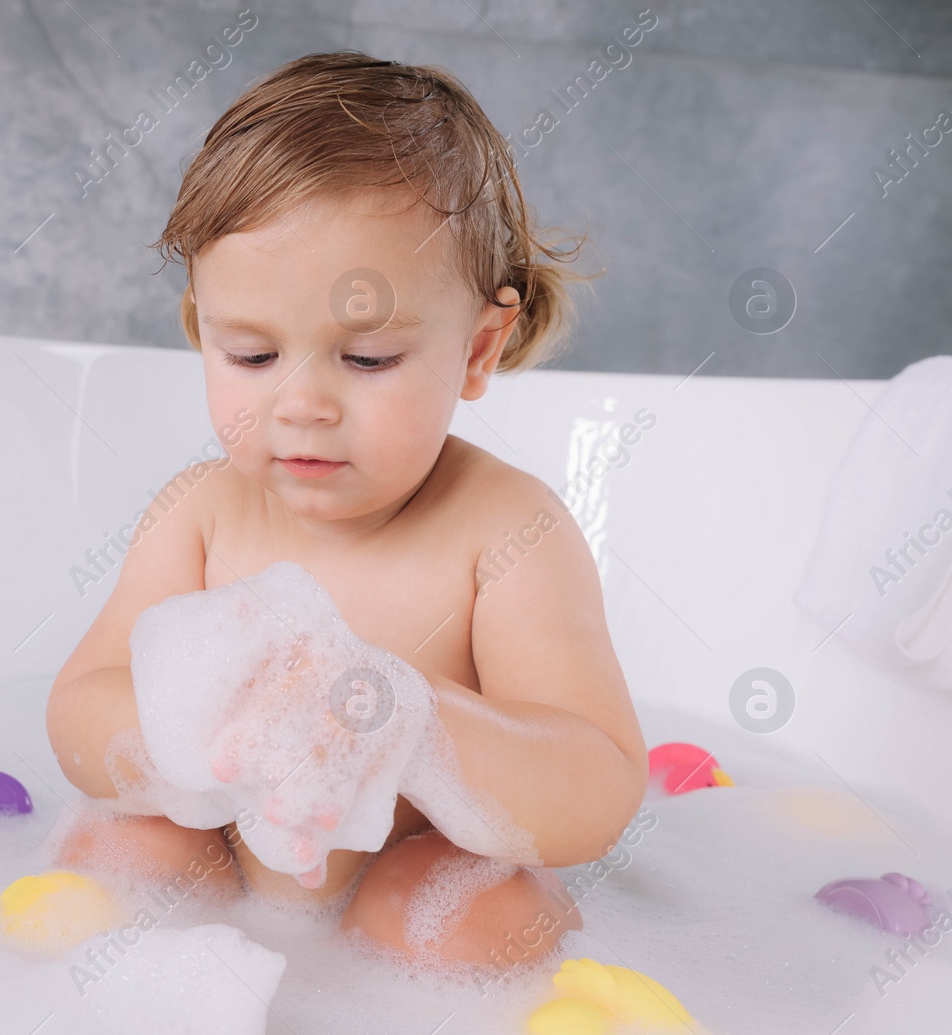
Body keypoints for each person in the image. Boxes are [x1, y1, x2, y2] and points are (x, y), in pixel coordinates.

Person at [44, 52, 647, 970]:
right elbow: (80, 713)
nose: (302, 403)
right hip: (236, 867)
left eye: (365, 360)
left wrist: (412, 720)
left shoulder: (507, 533)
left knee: (438, 913)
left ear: (480, 348)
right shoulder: (199, 511)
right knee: (115, 856)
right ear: (199, 329)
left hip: (423, 873)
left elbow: (595, 788)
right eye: (249, 355)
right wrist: (194, 725)